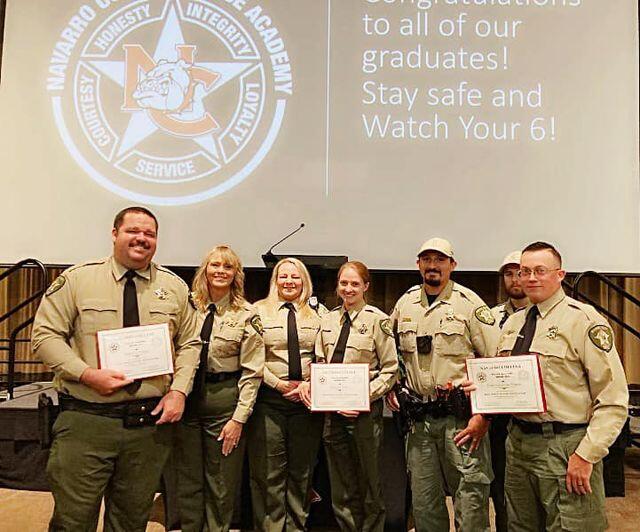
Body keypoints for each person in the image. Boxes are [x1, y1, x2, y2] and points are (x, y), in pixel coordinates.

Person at [31, 206, 201, 531]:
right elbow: (45, 336)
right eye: (132, 231)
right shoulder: (78, 279)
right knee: (73, 521)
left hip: (147, 428)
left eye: (149, 234)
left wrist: (179, 390)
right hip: (87, 422)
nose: (141, 239)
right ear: (114, 234)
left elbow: (190, 344)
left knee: (131, 522)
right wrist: (86, 374)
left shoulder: (175, 287)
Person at [497, 241, 628, 531]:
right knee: (521, 526)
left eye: (540, 270)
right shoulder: (513, 324)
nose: (531, 278)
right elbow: (503, 379)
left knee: (572, 527)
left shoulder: (583, 320)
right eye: (524, 271)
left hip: (566, 446)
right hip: (518, 443)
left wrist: (586, 455)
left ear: (560, 274)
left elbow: (613, 398)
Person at [386, 237, 499, 532]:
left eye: (439, 260)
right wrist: (392, 386)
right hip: (419, 423)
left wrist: (483, 417)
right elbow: (389, 352)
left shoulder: (470, 304)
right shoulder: (405, 303)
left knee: (471, 498)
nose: (432, 266)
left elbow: (494, 363)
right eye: (427, 260)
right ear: (418, 265)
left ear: (452, 265)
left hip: (461, 422)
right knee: (425, 503)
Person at [302, 261, 398, 532]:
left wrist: (362, 398)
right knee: (341, 484)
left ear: (366, 286)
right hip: (332, 414)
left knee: (369, 482)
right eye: (344, 283)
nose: (348, 288)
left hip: (364, 415)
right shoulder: (329, 320)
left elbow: (391, 369)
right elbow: (320, 362)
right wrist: (315, 389)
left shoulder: (378, 321)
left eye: (355, 283)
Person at [175, 245, 264, 532]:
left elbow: (253, 372)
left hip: (223, 399)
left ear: (236, 275)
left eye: (228, 267)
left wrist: (239, 418)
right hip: (185, 398)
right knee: (188, 479)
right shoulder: (186, 307)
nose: (220, 271)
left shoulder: (247, 314)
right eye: (215, 265)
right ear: (205, 269)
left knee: (221, 481)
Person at [247, 257, 325, 531]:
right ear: (275, 280)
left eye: (295, 277)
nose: (289, 282)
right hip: (269, 400)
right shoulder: (258, 311)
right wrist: (279, 385)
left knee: (301, 473)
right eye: (283, 276)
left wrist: (308, 383)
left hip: (306, 402)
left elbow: (325, 355)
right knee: (268, 473)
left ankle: (296, 526)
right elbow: (253, 358)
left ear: (304, 281)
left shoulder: (318, 314)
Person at [489, 250, 529, 532]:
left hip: (535, 418)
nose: (515, 279)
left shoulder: (551, 316)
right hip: (499, 418)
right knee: (502, 487)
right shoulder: (491, 318)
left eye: (520, 272)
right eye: (508, 273)